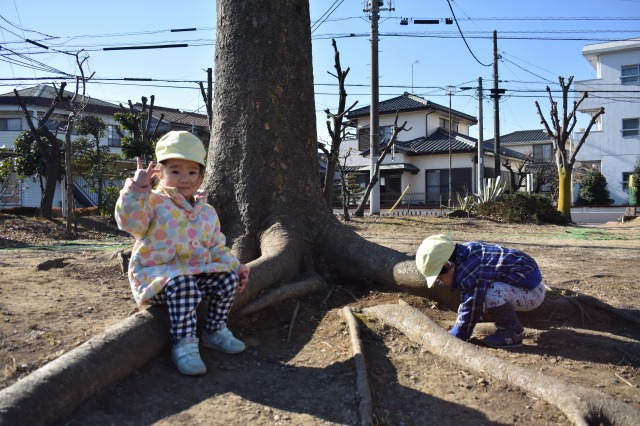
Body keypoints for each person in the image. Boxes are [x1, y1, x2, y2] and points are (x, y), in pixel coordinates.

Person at [114, 130, 250, 376]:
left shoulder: (207, 211)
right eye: (175, 171)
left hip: (195, 276)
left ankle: (214, 330)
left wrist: (235, 266)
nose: (184, 179)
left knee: (227, 280)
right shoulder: (151, 201)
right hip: (157, 279)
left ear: (201, 175)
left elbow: (216, 247)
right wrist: (137, 189)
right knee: (184, 284)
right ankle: (184, 344)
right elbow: (130, 223)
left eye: (192, 172)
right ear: (160, 172)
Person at [415, 234, 545, 348]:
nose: (442, 282)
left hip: (532, 293)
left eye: (440, 278)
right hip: (527, 285)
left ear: (449, 265)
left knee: (491, 292)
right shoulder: (467, 251)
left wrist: (458, 335)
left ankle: (511, 332)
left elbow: (471, 307)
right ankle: (491, 317)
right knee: (482, 289)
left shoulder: (469, 272)